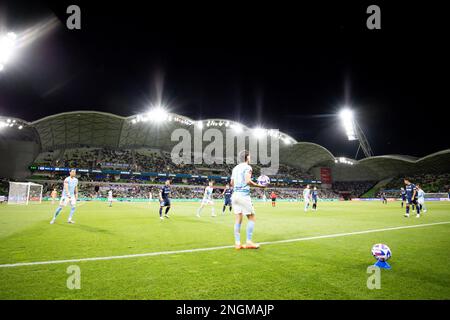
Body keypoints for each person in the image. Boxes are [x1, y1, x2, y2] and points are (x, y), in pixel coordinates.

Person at [231, 150, 266, 249]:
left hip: (235, 195)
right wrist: (259, 186)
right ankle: (249, 242)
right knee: (251, 217)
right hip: (243, 196)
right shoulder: (247, 167)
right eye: (250, 156)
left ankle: (237, 243)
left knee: (238, 219)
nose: (250, 158)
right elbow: (247, 181)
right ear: (246, 157)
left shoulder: (235, 168)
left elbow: (232, 183)